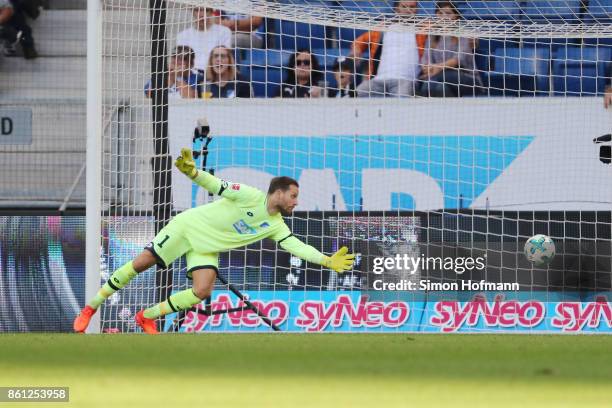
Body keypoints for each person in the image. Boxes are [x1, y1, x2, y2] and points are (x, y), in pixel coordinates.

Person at [73, 148, 355, 334]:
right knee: (141, 263)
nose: (296, 201)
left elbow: (297, 246)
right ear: (278, 193)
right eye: (293, 195)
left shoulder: (276, 225)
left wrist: (326, 259)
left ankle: (146, 316)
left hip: (205, 248)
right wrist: (194, 173)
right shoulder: (249, 195)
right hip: (186, 228)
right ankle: (91, 307)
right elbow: (216, 184)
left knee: (202, 290)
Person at [355, 0, 421, 98]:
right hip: (379, 80)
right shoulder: (384, 28)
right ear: (396, 9)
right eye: (404, 7)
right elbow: (358, 42)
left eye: (412, 7)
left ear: (417, 10)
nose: (408, 10)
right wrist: (356, 52)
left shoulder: (423, 29)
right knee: (359, 92)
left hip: (405, 80)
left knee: (402, 98)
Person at [418, 1, 482, 97]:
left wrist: (436, 68)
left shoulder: (463, 33)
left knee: (438, 77)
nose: (444, 17)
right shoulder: (431, 36)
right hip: (439, 79)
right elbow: (425, 59)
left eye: (448, 13)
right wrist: (426, 67)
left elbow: (458, 59)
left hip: (466, 78)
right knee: (436, 87)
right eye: (440, 13)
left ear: (456, 16)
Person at [176, 7, 232, 73]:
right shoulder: (182, 35)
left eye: (206, 10)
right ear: (192, 12)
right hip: (190, 78)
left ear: (211, 12)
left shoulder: (224, 32)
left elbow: (223, 61)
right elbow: (182, 64)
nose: (202, 14)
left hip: (215, 76)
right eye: (197, 10)